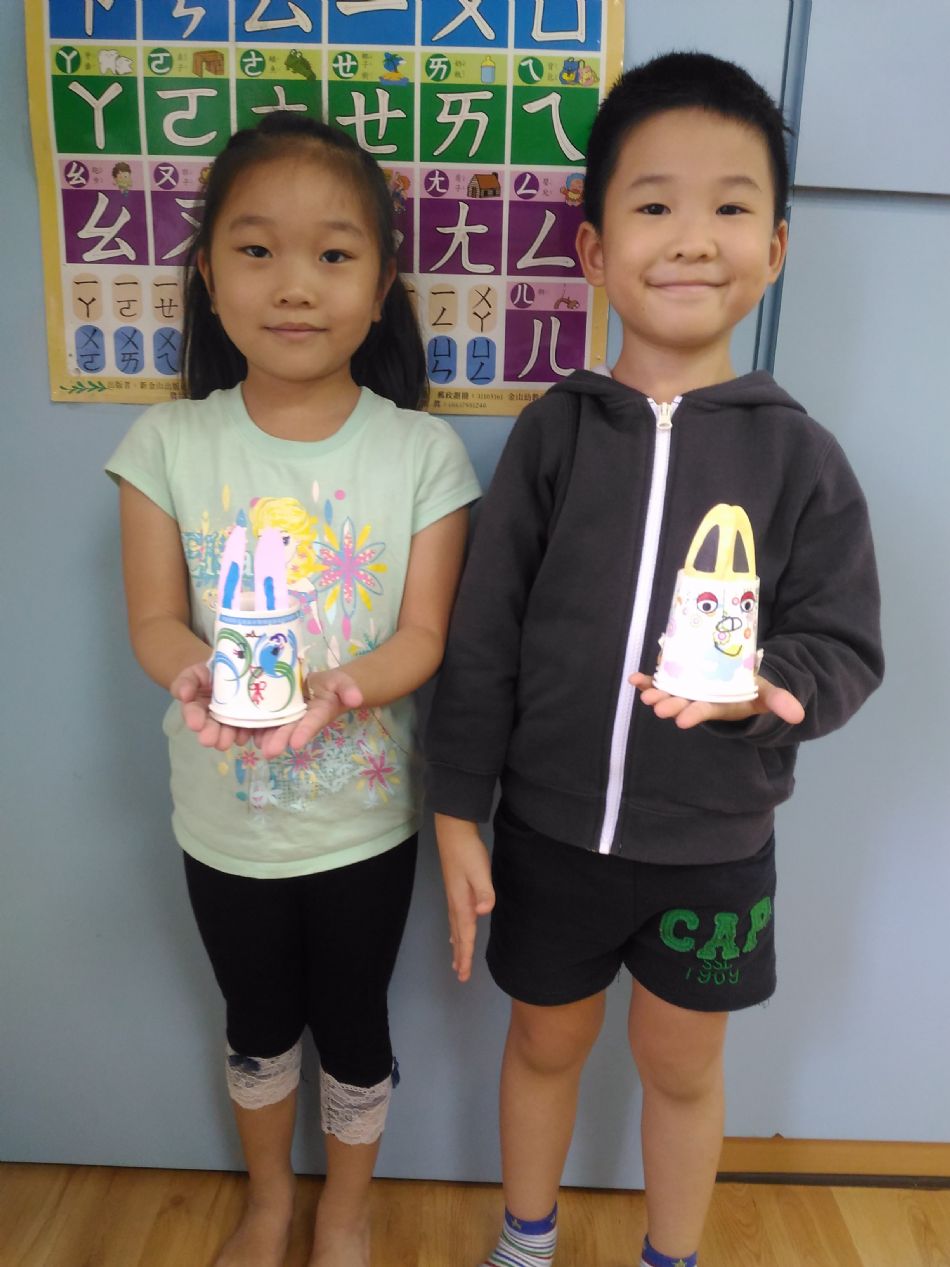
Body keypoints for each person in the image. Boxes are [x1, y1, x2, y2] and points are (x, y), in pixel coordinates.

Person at [426, 52, 883, 1267]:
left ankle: (668, 1257)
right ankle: (525, 1242)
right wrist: (458, 810)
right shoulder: (553, 436)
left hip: (713, 850)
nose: (690, 238)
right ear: (593, 249)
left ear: (772, 249)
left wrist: (771, 689)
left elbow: (841, 640)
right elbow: (482, 637)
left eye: (729, 206)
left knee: (681, 1068)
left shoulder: (801, 460)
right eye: (652, 204)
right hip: (548, 836)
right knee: (543, 1043)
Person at [106, 112, 480, 1267]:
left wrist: (337, 687)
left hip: (363, 823)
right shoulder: (166, 442)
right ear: (207, 272)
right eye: (257, 248)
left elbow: (423, 636)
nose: (294, 284)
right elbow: (154, 618)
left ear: (381, 285)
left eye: (332, 253)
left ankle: (345, 1212)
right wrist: (192, 668)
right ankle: (269, 1200)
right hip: (221, 821)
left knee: (355, 1027)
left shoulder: (421, 455)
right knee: (256, 1023)